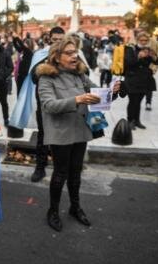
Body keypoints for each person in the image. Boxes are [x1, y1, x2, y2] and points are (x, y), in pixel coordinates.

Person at [37, 37, 121, 231]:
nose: (74, 56)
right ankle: (53, 211)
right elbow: (49, 105)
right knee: (60, 174)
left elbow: (98, 95)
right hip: (60, 134)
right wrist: (77, 99)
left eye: (75, 52)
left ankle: (75, 207)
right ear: (56, 57)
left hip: (80, 130)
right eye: (69, 53)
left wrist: (112, 91)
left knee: (76, 174)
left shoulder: (79, 75)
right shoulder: (46, 78)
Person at [29, 26, 65, 182]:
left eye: (60, 40)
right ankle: (40, 167)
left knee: (63, 137)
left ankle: (61, 169)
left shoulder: (70, 56)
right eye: (54, 39)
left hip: (65, 104)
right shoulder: (41, 55)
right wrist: (48, 67)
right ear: (49, 39)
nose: (57, 42)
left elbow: (84, 75)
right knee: (43, 136)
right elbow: (33, 77)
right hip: (44, 104)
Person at [124, 32, 158, 130]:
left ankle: (137, 120)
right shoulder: (130, 49)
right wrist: (138, 57)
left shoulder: (149, 50)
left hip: (145, 80)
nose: (144, 42)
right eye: (142, 40)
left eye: (146, 40)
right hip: (132, 80)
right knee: (132, 101)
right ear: (137, 40)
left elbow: (157, 62)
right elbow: (128, 63)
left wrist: (153, 56)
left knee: (139, 101)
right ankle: (130, 120)